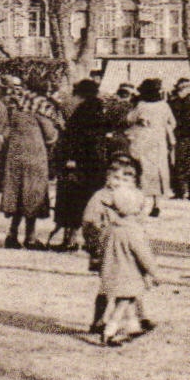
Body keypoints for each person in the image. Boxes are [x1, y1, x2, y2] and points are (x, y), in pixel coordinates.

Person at [81, 155, 160, 347]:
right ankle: (99, 320)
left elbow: (140, 219)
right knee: (108, 287)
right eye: (115, 178)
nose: (120, 183)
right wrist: (95, 243)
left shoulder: (133, 197)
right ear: (107, 177)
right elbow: (89, 222)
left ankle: (139, 319)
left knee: (131, 284)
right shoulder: (100, 197)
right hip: (105, 248)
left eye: (126, 179)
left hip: (123, 249)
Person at [0, 78, 60, 249]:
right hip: (34, 156)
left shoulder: (17, 106)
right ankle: (30, 237)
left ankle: (11, 234)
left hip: (15, 155)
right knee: (32, 195)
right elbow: (50, 135)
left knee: (17, 195)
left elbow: (6, 131)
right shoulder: (41, 106)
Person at [51, 79, 111, 249]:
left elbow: (72, 138)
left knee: (71, 201)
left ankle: (70, 240)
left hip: (78, 163)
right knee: (91, 202)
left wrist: (69, 159)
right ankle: (93, 241)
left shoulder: (79, 111)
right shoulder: (99, 111)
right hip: (96, 164)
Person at [124, 78, 176, 217]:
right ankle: (157, 203)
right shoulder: (164, 105)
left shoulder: (141, 105)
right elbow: (173, 122)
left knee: (143, 170)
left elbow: (129, 119)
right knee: (159, 172)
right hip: (159, 142)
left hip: (143, 141)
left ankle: (141, 204)